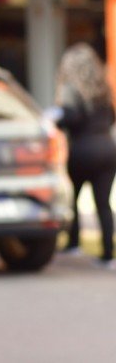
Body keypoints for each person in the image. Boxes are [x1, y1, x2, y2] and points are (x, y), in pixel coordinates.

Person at [55, 42, 116, 269]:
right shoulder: (102, 88)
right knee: (103, 204)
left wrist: (56, 118)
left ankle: (73, 242)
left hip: (82, 150)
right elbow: (111, 117)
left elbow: (72, 118)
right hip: (108, 149)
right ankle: (108, 254)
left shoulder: (71, 89)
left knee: (74, 199)